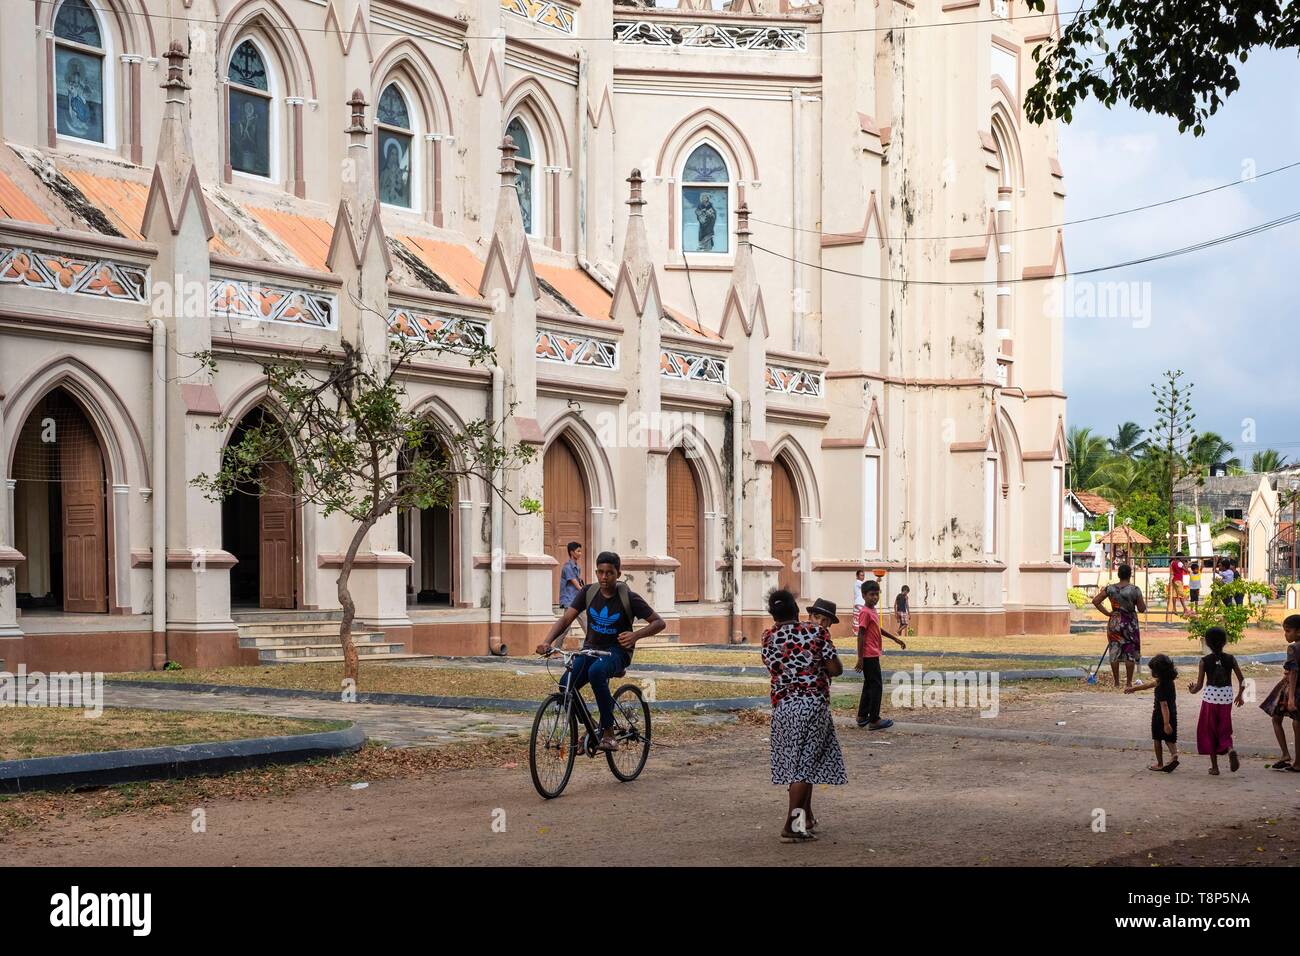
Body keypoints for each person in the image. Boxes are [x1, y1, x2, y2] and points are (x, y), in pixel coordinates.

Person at [536, 551, 664, 751]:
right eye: (600, 572)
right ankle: (591, 725)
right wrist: (547, 641)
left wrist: (635, 636)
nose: (604, 577)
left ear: (618, 574)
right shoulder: (588, 592)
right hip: (591, 650)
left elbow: (659, 623)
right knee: (565, 684)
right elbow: (565, 619)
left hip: (617, 652)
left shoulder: (628, 597)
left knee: (596, 672)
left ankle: (608, 732)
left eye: (609, 573)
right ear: (596, 572)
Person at [761, 590, 846, 843]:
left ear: (773, 614)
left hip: (783, 707)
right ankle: (791, 824)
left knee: (797, 765)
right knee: (804, 766)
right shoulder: (816, 633)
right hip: (812, 706)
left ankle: (804, 819)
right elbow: (835, 668)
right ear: (797, 610)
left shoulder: (768, 637)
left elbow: (774, 667)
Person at [1188, 625, 1245, 775]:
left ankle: (1215, 767)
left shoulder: (1204, 661)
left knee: (1209, 730)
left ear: (1207, 642)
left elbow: (1199, 686)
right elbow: (1242, 680)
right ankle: (1230, 749)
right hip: (1226, 697)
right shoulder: (1231, 659)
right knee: (1224, 727)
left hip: (1210, 698)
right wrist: (1240, 695)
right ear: (1224, 641)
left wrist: (1192, 690)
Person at [856, 578, 907, 729]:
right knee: (876, 686)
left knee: (869, 685)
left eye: (877, 594)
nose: (875, 597)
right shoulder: (865, 612)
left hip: (872, 653)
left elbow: (878, 629)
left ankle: (862, 716)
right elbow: (861, 634)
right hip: (868, 655)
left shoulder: (872, 611)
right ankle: (874, 720)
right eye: (871, 594)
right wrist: (860, 658)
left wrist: (896, 639)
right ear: (864, 595)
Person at [1091, 564, 1146, 689]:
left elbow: (1095, 601)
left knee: (1114, 650)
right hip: (1129, 623)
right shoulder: (1134, 590)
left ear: (1118, 574)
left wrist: (1108, 613)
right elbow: (1142, 609)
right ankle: (1128, 683)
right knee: (1129, 652)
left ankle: (1116, 682)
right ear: (1130, 574)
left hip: (1114, 621)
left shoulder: (1110, 589)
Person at [1125, 653, 1180, 772]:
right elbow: (1148, 685)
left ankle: (1159, 764)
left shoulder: (1160, 687)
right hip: (1173, 713)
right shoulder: (1168, 681)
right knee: (1169, 738)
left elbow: (1163, 705)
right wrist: (1133, 689)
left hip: (1160, 716)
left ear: (1157, 672)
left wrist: (1166, 723)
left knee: (1157, 739)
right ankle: (1174, 755)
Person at [1259, 614, 1300, 772]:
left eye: (1288, 631)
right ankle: (1287, 756)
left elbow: (1294, 672)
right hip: (1291, 687)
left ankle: (1294, 761)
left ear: (1298, 632)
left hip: (1293, 689)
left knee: (1292, 722)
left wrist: (1290, 698)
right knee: (1278, 718)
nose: (1286, 634)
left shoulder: (1293, 648)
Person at [558, 541, 584, 609]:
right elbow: (577, 585)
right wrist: (586, 592)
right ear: (572, 552)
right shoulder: (568, 567)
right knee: (567, 619)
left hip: (575, 598)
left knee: (567, 619)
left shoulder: (577, 567)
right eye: (578, 551)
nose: (580, 553)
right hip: (569, 599)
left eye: (580, 551)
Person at [1169, 551, 1189, 616]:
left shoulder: (1173, 562)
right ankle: (1185, 609)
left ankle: (1174, 608)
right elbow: (1186, 570)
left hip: (1174, 579)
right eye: (1183, 557)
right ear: (1180, 557)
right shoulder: (1180, 563)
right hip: (1178, 580)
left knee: (1174, 595)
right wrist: (1186, 566)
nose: (1183, 558)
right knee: (1181, 594)